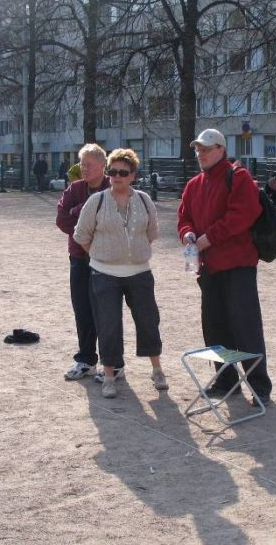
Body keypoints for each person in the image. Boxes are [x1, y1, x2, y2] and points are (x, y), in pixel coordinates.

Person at [177, 128, 272, 407]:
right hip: (209, 267)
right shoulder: (194, 184)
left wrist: (205, 239)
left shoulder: (239, 177)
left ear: (221, 149)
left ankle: (259, 385)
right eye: (198, 150)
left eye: (206, 149)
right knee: (215, 326)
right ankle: (226, 379)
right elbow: (184, 217)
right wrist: (188, 235)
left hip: (238, 265)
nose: (201, 154)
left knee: (245, 326)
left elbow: (241, 216)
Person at [73, 148, 167, 399]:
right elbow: (82, 235)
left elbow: (152, 232)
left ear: (133, 175)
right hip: (104, 273)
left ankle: (157, 369)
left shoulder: (145, 200)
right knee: (108, 325)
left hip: (139, 272)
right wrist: (101, 253)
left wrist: (133, 252)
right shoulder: (97, 201)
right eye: (112, 172)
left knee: (148, 321)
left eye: (122, 173)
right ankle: (110, 375)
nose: (116, 177)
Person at [57, 144, 110, 381]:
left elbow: (115, 221)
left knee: (107, 311)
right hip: (79, 257)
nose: (84, 169)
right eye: (82, 164)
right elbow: (62, 220)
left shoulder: (113, 186)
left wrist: (80, 215)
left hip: (108, 259)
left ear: (102, 165)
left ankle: (112, 363)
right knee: (82, 308)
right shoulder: (74, 189)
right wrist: (83, 217)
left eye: (89, 164)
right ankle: (86, 360)